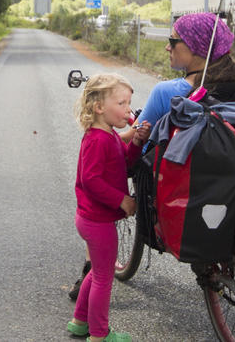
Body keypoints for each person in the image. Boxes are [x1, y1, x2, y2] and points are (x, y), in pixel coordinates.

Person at [67, 13, 235, 299]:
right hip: (222, 171)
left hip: (179, 180)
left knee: (109, 173)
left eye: (172, 41)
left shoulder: (168, 91)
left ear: (195, 49)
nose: (168, 47)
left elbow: (136, 143)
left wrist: (112, 133)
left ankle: (89, 272)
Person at [67, 73, 145, 342]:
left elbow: (124, 161)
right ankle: (99, 334)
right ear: (99, 108)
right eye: (122, 104)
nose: (128, 110)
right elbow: (91, 181)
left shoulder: (108, 134)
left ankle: (79, 321)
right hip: (96, 222)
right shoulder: (97, 140)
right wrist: (121, 200)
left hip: (92, 219)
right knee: (104, 277)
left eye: (129, 103)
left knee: (98, 271)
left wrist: (135, 141)